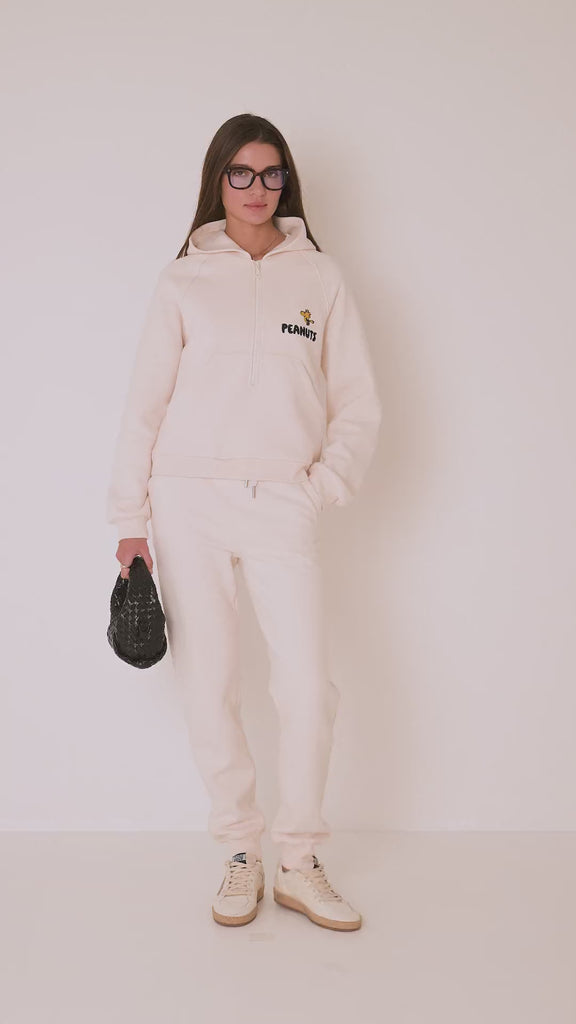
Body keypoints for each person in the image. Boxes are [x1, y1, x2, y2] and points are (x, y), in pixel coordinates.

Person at [106, 113, 382, 931]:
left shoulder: (320, 278)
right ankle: (239, 850)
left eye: (270, 174)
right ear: (217, 180)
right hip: (187, 502)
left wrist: (322, 485)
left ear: (286, 182)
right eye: (240, 173)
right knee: (211, 685)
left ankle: (297, 859)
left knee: (307, 688)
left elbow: (358, 401)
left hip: (282, 501)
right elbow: (143, 406)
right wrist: (129, 520)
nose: (256, 189)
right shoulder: (182, 280)